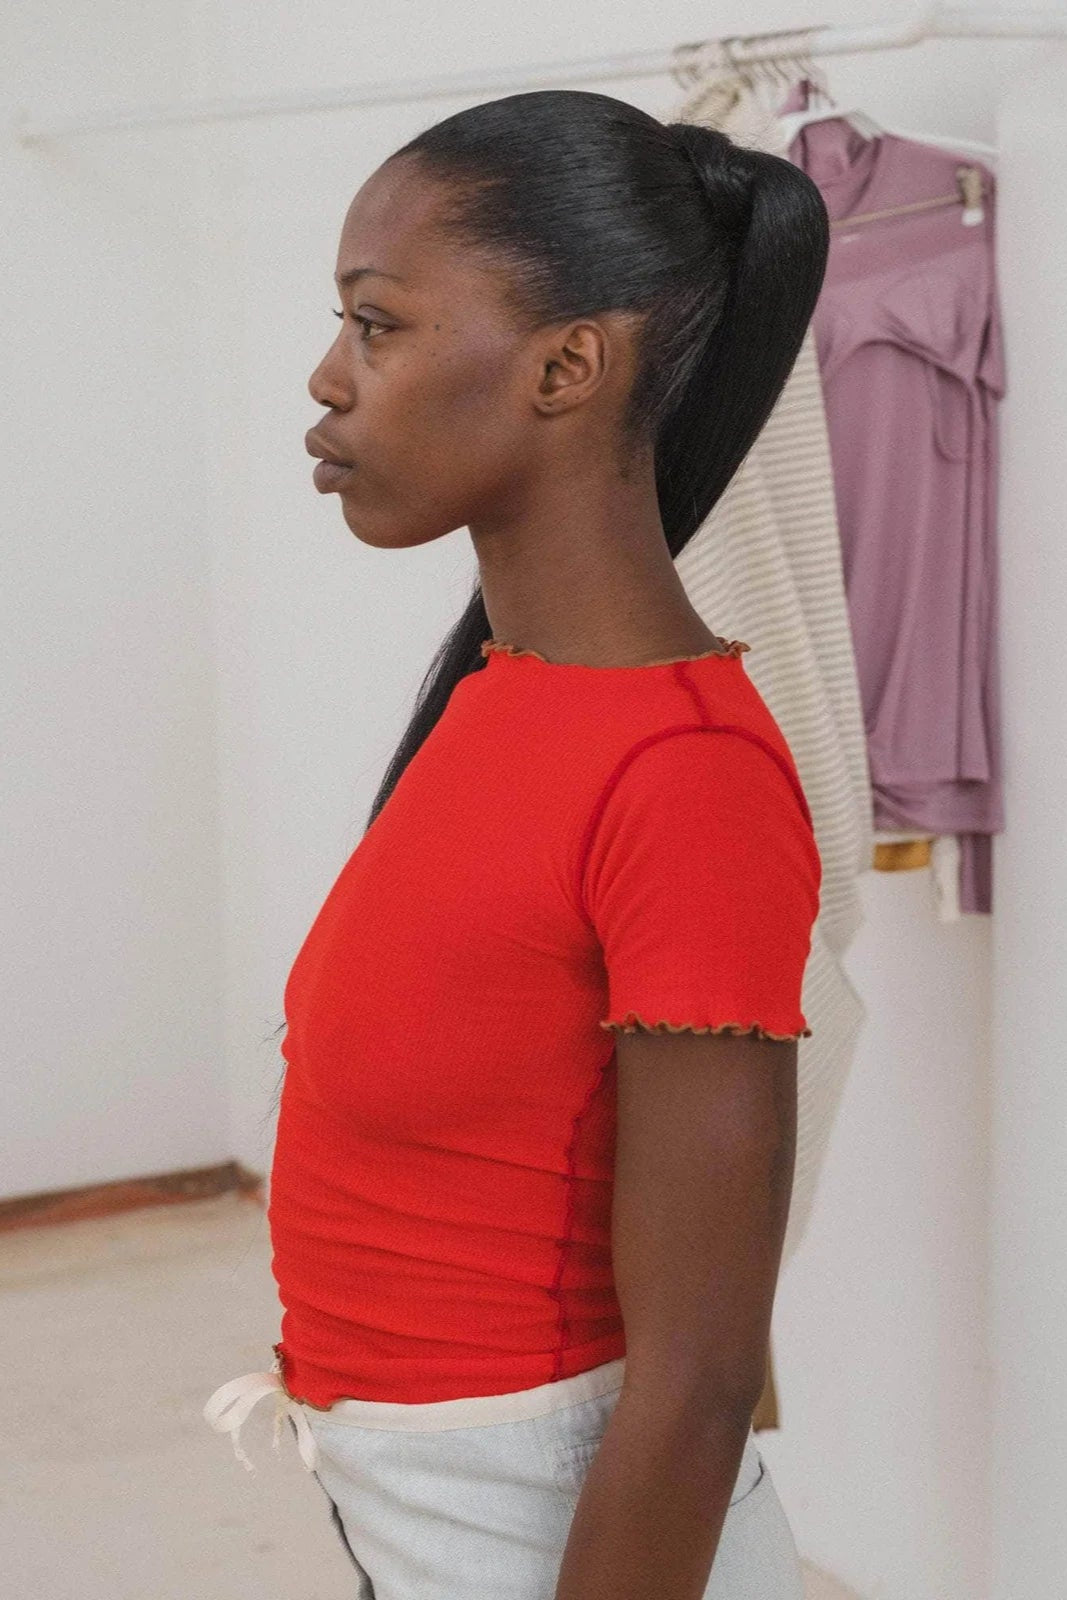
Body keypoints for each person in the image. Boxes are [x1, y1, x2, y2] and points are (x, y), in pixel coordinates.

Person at [204, 87, 828, 1599]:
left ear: (566, 367)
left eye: (378, 324)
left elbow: (696, 1387)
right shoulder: (504, 695)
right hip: (417, 1496)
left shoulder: (686, 777)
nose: (328, 376)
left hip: (552, 1522)